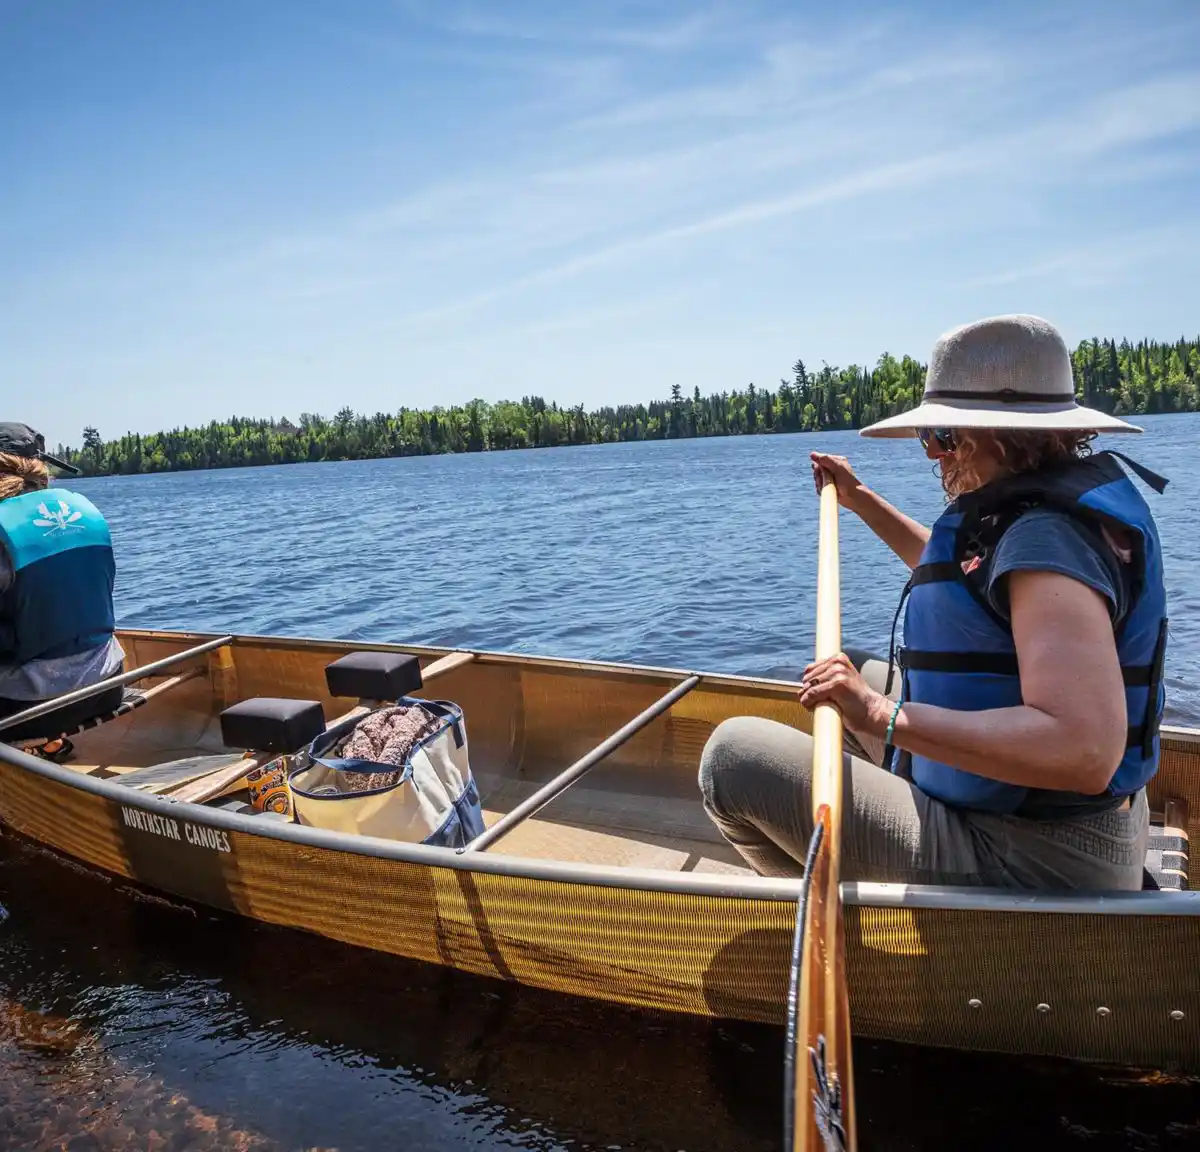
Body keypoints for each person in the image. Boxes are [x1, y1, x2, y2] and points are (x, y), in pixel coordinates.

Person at [699, 315, 1168, 891]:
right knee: (842, 665)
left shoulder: (1047, 539)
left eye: (943, 438)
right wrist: (861, 501)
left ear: (1002, 437)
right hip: (1051, 825)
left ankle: (861, 940)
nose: (934, 456)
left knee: (730, 760)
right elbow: (971, 579)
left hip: (1040, 857)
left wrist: (882, 716)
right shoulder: (1034, 512)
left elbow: (1084, 750)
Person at [0, 423, 124, 757]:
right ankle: (51, 744)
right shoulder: (83, 509)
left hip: (26, 706)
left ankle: (35, 748)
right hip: (108, 684)